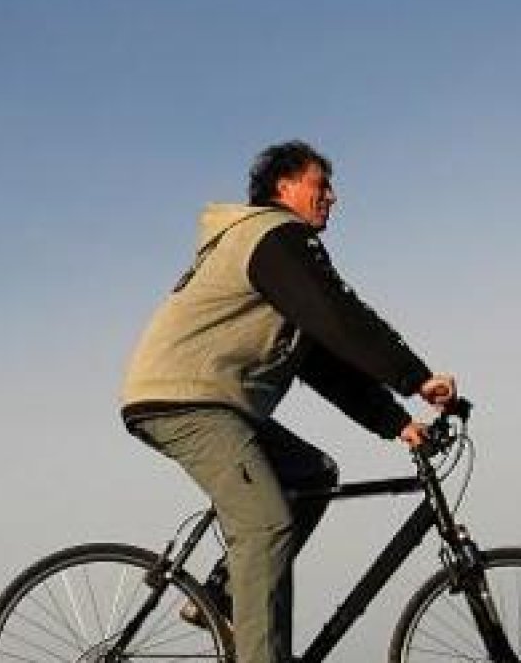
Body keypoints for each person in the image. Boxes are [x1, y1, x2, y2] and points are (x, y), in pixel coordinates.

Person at [119, 140, 456, 663]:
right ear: (285, 187)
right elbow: (339, 316)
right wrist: (416, 377)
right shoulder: (273, 237)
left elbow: (322, 359)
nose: (333, 197)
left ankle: (223, 596)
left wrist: (396, 421)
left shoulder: (278, 255)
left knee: (312, 475)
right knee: (265, 522)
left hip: (216, 400)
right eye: (322, 185)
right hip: (186, 399)